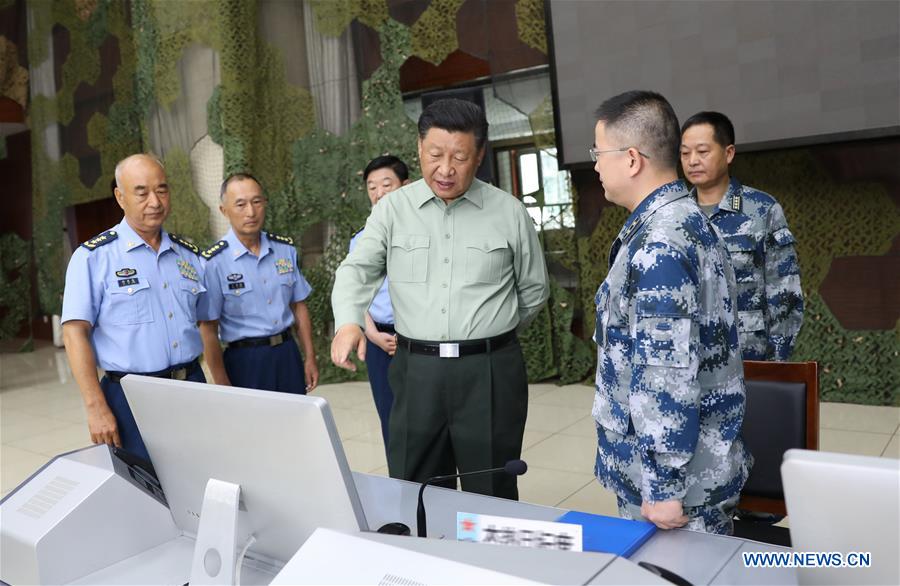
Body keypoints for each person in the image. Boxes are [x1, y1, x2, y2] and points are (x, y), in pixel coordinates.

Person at [331, 98, 550, 500]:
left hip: (489, 371)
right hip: (417, 371)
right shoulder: (392, 210)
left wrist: (488, 328)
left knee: (491, 488)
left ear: (480, 156)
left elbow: (534, 289)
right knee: (416, 485)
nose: (445, 169)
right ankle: (426, 560)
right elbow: (356, 270)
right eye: (435, 155)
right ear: (418, 149)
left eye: (460, 157)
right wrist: (347, 322)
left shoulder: (509, 213)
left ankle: (488, 563)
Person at [589, 91, 752, 535]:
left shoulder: (659, 244)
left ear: (632, 159)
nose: (596, 166)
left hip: (676, 493)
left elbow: (665, 372)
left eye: (599, 154)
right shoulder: (686, 221)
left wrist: (663, 488)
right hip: (695, 470)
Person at [62, 154, 209, 462]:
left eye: (162, 190)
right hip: (130, 397)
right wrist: (96, 406)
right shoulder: (93, 258)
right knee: (143, 491)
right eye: (141, 192)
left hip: (192, 388)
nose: (154, 201)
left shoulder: (189, 256)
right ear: (120, 196)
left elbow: (206, 324)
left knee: (200, 480)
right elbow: (74, 332)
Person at [680, 111, 803, 361]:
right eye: (684, 153)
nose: (692, 161)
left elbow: (785, 294)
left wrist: (777, 363)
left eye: (702, 151)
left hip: (749, 360)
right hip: (691, 365)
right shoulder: (676, 215)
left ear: (729, 153)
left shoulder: (762, 210)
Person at [199, 173, 318, 394]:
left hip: (287, 353)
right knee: (251, 428)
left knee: (294, 423)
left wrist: (310, 357)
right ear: (224, 210)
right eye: (240, 204)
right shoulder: (213, 262)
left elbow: (299, 306)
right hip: (246, 361)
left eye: (256, 202)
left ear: (265, 203)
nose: (251, 212)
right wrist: (222, 384)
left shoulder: (284, 250)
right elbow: (208, 329)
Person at [349, 155, 410, 446]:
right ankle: (400, 486)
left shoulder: (425, 234)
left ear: (405, 186)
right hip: (379, 341)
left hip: (421, 339)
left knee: (429, 419)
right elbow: (356, 292)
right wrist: (371, 333)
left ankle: (436, 489)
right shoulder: (361, 240)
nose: (379, 193)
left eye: (387, 184)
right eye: (372, 187)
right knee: (390, 418)